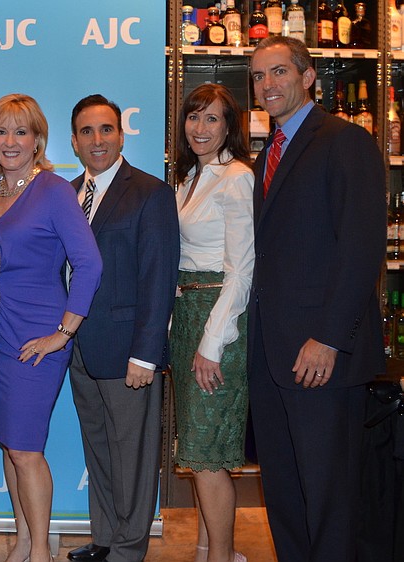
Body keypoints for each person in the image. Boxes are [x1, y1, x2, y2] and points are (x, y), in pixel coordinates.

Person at [249, 35, 386, 562]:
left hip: (319, 356)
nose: (267, 85)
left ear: (308, 77)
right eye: (259, 76)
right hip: (272, 354)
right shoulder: (269, 153)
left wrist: (328, 339)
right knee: (284, 494)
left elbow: (360, 249)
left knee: (330, 499)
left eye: (279, 72)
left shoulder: (345, 141)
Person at [0, 93, 102, 562]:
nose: (10, 141)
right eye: (0, 131)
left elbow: (89, 264)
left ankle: (40, 554)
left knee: (27, 448)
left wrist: (64, 333)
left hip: (38, 336)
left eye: (21, 131)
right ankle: (22, 541)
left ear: (38, 140)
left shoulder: (53, 190)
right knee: (11, 444)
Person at [65, 94, 179, 562]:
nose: (97, 140)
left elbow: (159, 277)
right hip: (76, 349)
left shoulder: (149, 192)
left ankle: (130, 548)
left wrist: (146, 353)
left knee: (132, 455)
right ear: (74, 141)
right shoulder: (68, 193)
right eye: (87, 132)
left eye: (106, 129)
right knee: (100, 450)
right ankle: (107, 537)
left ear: (121, 134)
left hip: (128, 348)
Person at [171, 84, 254, 562]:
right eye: (193, 117)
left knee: (206, 452)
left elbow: (241, 270)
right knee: (198, 448)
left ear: (229, 127)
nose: (200, 129)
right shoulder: (189, 177)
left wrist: (212, 342)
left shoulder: (236, 176)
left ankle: (221, 556)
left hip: (216, 321)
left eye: (212, 119)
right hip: (186, 317)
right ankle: (205, 548)